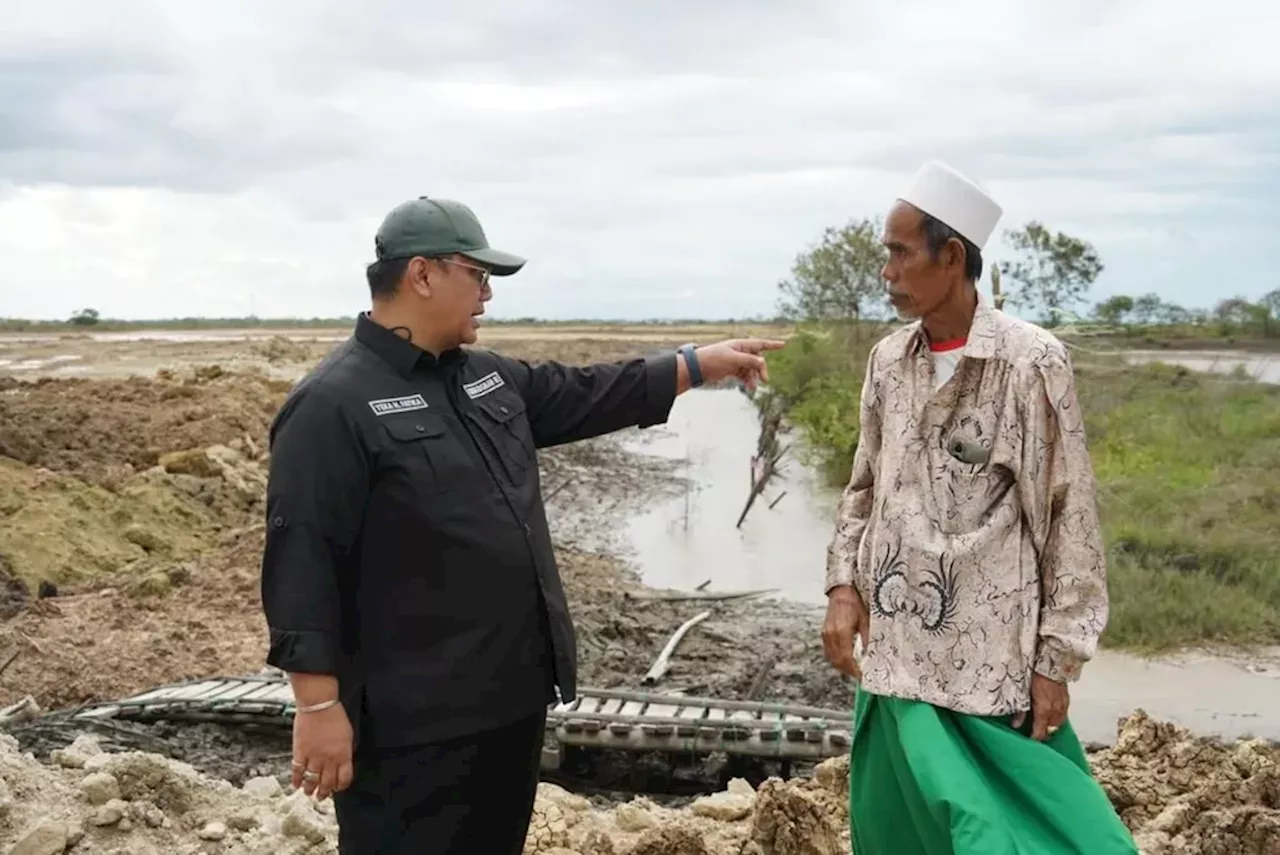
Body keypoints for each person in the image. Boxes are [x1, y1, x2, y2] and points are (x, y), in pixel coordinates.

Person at [258, 195, 784, 855]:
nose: (487, 294)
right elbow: (302, 562)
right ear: (421, 275)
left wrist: (698, 363)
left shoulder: (484, 378)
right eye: (477, 276)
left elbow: (589, 390)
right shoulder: (332, 405)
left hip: (508, 704)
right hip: (411, 726)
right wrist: (316, 706)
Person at [820, 162, 1138, 853]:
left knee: (1002, 836)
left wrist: (1055, 661)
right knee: (900, 834)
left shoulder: (1031, 363)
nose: (887, 270)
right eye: (887, 253)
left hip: (989, 669)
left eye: (901, 252)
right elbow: (863, 486)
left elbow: (1069, 517)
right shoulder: (886, 360)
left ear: (952, 255)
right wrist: (844, 586)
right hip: (897, 657)